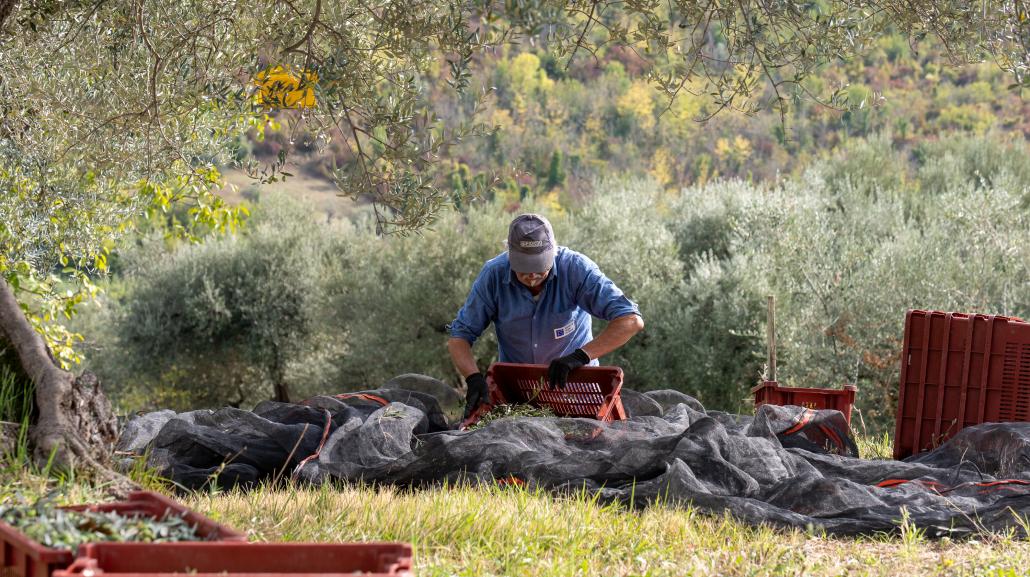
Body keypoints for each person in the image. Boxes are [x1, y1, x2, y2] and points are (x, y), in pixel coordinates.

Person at [448, 213, 644, 419]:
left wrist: (580, 356)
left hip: (578, 394)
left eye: (539, 265)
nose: (532, 275)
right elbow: (459, 336)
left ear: (553, 251)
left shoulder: (576, 269)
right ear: (510, 253)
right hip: (518, 397)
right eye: (524, 266)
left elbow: (631, 320)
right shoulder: (493, 275)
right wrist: (473, 378)